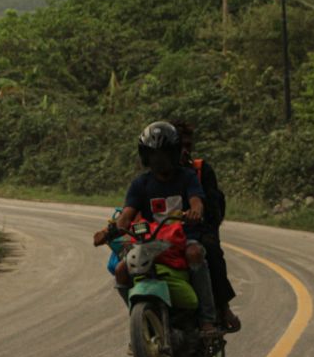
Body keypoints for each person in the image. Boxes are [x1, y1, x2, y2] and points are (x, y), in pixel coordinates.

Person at [93, 121, 219, 338]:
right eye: (153, 154)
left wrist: (195, 211)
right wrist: (109, 231)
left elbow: (197, 200)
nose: (158, 160)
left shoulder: (187, 177)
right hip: (151, 243)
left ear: (174, 153)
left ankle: (207, 319)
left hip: (183, 238)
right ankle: (140, 322)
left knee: (195, 253)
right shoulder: (140, 184)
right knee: (122, 270)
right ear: (145, 156)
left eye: (164, 153)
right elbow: (126, 216)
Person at [172, 120, 241, 333]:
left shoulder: (200, 171)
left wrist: (200, 220)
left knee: (210, 250)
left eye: (187, 146)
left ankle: (222, 307)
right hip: (165, 233)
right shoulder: (155, 176)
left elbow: (213, 208)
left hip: (198, 230)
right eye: (179, 147)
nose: (184, 151)